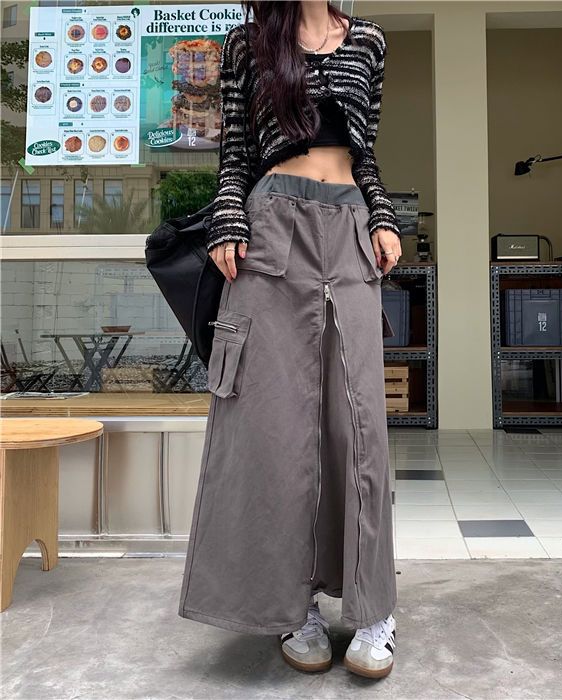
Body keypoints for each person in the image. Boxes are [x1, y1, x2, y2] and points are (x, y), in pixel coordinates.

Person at [178, 0, 401, 679]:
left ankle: (373, 611)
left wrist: (383, 216)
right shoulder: (250, 43)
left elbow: (366, 150)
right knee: (274, 425)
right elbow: (235, 150)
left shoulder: (368, 42)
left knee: (359, 424)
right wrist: (226, 222)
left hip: (350, 231)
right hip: (272, 227)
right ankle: (292, 604)